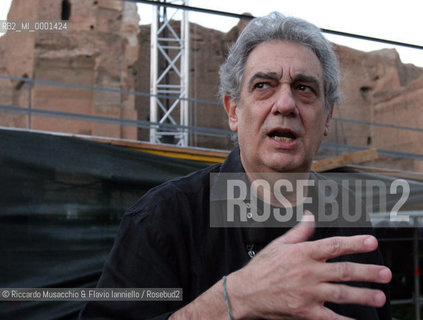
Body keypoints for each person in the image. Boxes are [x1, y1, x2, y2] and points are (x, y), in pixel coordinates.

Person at [80, 12, 391, 319]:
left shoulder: (351, 222)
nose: (285, 104)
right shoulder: (163, 219)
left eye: (304, 88)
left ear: (327, 118)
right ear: (233, 111)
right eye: (263, 86)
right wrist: (231, 300)